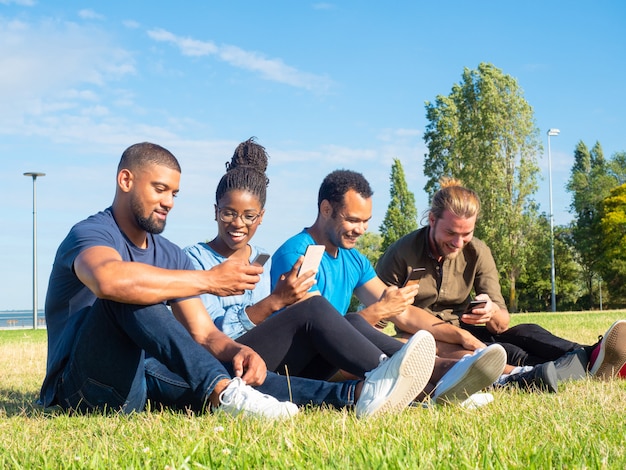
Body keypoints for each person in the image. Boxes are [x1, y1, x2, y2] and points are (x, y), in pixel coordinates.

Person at [37, 142, 452, 421]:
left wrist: (237, 350)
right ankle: (224, 392)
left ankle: (359, 396)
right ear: (125, 181)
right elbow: (109, 280)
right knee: (131, 293)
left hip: (140, 385)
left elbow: (203, 333)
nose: (167, 201)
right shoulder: (92, 234)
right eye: (159, 189)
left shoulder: (169, 254)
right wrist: (210, 281)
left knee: (236, 369)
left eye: (174, 194)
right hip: (82, 388)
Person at [184, 138, 507, 407]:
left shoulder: (266, 260)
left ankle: (439, 377)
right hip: (234, 363)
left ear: (261, 217)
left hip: (277, 359)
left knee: (351, 319)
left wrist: (458, 335)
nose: (238, 224)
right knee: (321, 310)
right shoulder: (198, 260)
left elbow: (399, 313)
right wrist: (273, 303)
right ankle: (412, 376)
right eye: (228, 213)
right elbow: (208, 335)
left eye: (248, 215)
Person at [375, 177, 626, 383]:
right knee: (511, 353)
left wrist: (491, 310)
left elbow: (501, 324)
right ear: (432, 219)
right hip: (429, 335)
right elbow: (381, 316)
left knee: (528, 332)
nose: (458, 242)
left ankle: (592, 355)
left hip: (468, 327)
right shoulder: (401, 253)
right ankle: (576, 368)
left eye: (466, 234)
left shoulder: (478, 251)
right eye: (450, 232)